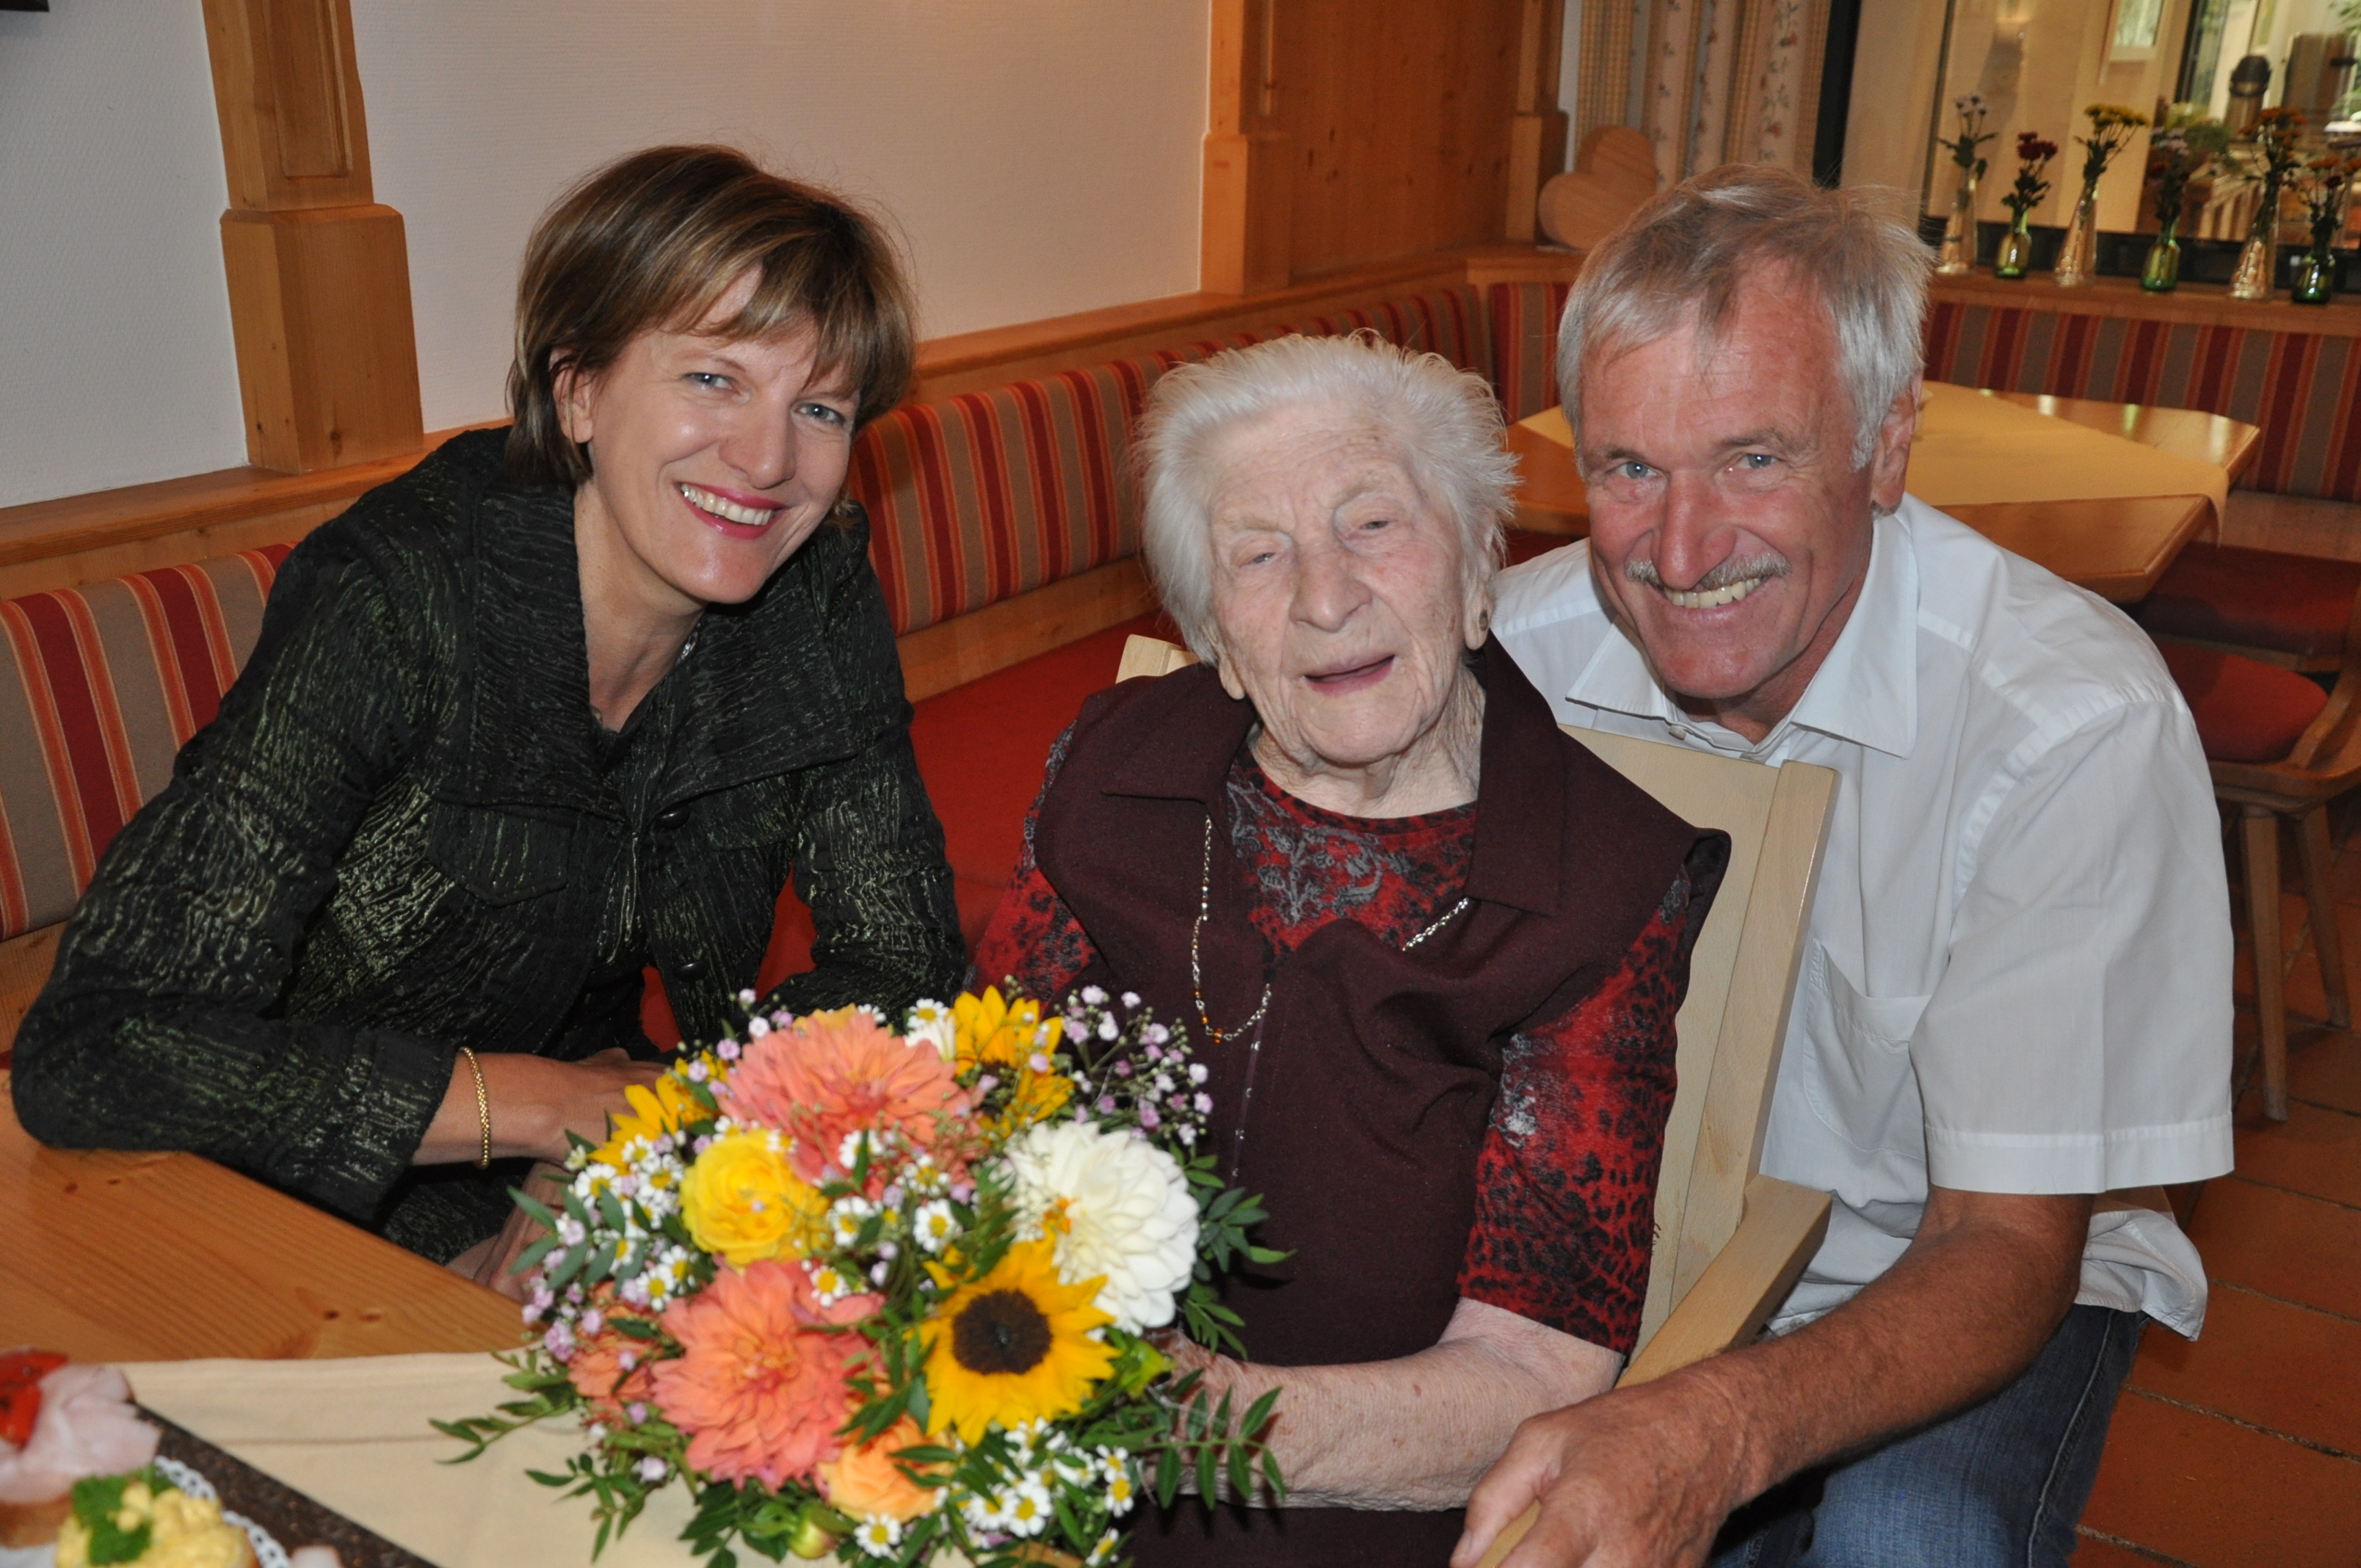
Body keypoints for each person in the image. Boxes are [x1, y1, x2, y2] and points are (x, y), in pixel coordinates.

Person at [1454, 167, 2233, 1568]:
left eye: (1755, 457)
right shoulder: (1517, 657)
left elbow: (2003, 1244)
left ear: (1885, 447)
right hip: (1623, 1245)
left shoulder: (2067, 722)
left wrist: (1715, 1429)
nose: (1680, 552)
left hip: (1955, 1272)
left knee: (1911, 1538)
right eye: (1631, 468)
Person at [12, 146, 964, 1288]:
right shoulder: (400, 596)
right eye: (714, 379)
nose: (769, 461)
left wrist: (643, 1138)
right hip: (282, 1162)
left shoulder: (812, 589)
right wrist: (542, 1109)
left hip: (598, 1134)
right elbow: (95, 1049)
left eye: (819, 408)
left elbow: (902, 963)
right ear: (579, 391)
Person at [969, 333, 1730, 1567]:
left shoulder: (1598, 886)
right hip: (1018, 1436)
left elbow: (1535, 1364)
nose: (1325, 597)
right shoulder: (1111, 771)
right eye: (1258, 555)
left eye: (1372, 525)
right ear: (1212, 627)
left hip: (1353, 1502)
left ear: (1481, 568)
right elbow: (977, 1107)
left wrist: (1189, 1419)